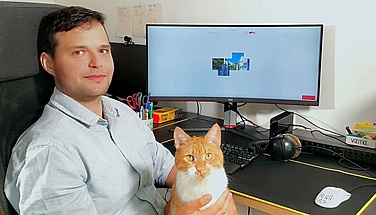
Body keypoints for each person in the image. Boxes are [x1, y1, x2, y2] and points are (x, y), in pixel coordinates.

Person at [4, 6, 237, 215]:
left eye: (103, 50)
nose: (97, 62)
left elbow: (163, 165)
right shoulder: (49, 154)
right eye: (79, 52)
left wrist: (213, 197)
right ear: (49, 64)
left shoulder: (119, 111)